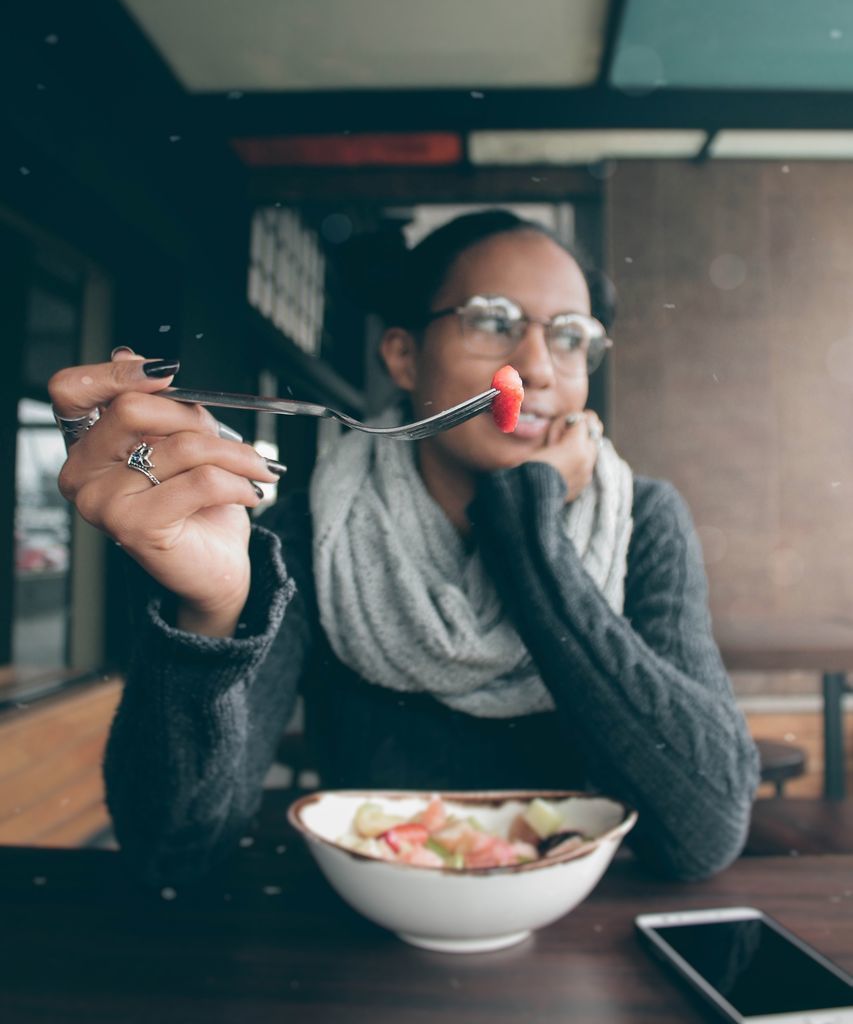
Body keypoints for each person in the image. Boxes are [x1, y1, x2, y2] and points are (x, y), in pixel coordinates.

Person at [49, 210, 759, 887]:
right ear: (402, 355)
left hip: (583, 944)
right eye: (491, 321)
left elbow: (701, 832)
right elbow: (172, 853)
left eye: (570, 335)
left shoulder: (642, 520)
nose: (537, 367)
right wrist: (209, 610)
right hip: (360, 954)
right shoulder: (309, 534)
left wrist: (528, 530)